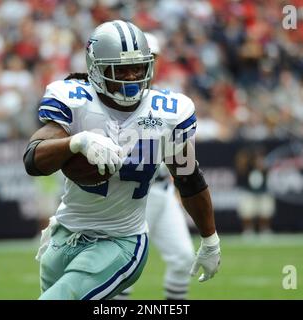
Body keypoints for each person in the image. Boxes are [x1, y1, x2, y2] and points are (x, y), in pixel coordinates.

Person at [23, 20, 221, 300]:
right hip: (65, 235)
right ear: (97, 68)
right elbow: (33, 159)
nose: (131, 77)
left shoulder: (167, 113)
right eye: (120, 69)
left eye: (137, 68)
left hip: (122, 240)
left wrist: (210, 239)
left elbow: (189, 178)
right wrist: (75, 142)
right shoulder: (75, 100)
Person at [114, 32, 195, 300]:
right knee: (123, 266)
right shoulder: (115, 99)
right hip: (133, 195)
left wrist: (182, 187)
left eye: (154, 58)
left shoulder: (167, 99)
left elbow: (181, 154)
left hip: (161, 189)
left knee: (184, 257)